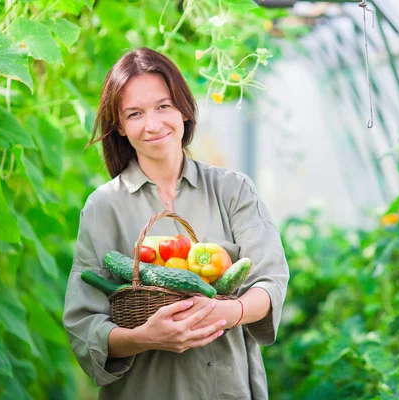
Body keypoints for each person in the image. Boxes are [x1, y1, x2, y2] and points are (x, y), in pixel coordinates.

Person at [62, 47, 289, 400]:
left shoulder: (233, 190)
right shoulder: (103, 207)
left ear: (183, 108)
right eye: (135, 113)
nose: (153, 125)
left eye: (163, 106)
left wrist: (226, 311)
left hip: (226, 389)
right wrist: (146, 337)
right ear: (120, 126)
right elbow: (84, 324)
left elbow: (270, 281)